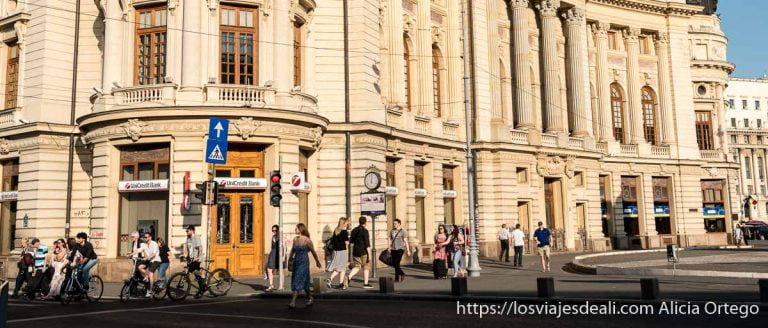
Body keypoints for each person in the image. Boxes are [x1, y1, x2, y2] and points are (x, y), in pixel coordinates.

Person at [288, 223, 321, 309]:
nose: (295, 229)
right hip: (296, 261)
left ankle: (293, 302)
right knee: (305, 282)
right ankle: (310, 297)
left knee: (297, 279)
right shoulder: (295, 239)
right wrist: (290, 259)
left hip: (304, 262)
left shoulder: (307, 240)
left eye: (296, 228)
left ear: (300, 229)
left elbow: (313, 251)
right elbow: (292, 250)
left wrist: (317, 261)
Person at [348, 216, 373, 289]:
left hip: (355, 251)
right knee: (366, 266)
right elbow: (367, 244)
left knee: (357, 266)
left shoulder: (354, 230)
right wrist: (369, 255)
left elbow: (351, 242)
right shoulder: (365, 231)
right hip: (364, 251)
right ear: (365, 222)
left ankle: (348, 277)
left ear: (359, 222)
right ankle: (365, 283)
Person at [326, 217, 350, 289]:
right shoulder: (344, 232)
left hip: (335, 251)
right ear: (344, 223)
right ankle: (339, 283)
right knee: (342, 268)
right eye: (346, 222)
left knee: (339, 267)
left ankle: (334, 281)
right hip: (342, 251)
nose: (347, 223)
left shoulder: (336, 230)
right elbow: (347, 242)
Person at [183, 225, 206, 297]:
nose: (186, 232)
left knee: (193, 271)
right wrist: (184, 255)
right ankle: (202, 288)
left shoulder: (196, 237)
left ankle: (202, 281)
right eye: (186, 231)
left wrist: (198, 257)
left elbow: (200, 248)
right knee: (195, 274)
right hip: (191, 258)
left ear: (192, 230)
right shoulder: (188, 238)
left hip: (197, 258)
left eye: (187, 231)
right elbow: (186, 248)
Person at [265, 225, 286, 292]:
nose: (274, 231)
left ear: (278, 231)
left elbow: (284, 247)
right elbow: (272, 247)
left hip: (279, 254)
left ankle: (281, 285)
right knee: (269, 269)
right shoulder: (273, 237)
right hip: (273, 254)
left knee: (281, 270)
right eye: (273, 230)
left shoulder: (281, 237)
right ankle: (271, 285)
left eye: (275, 230)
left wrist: (283, 256)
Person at [140, 232, 161, 297]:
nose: (145, 238)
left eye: (146, 237)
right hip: (150, 261)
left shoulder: (154, 244)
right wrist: (132, 254)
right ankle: (148, 278)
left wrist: (148, 257)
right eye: (144, 237)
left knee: (150, 274)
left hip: (156, 260)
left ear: (150, 237)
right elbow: (142, 252)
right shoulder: (145, 245)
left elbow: (154, 254)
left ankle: (150, 291)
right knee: (140, 267)